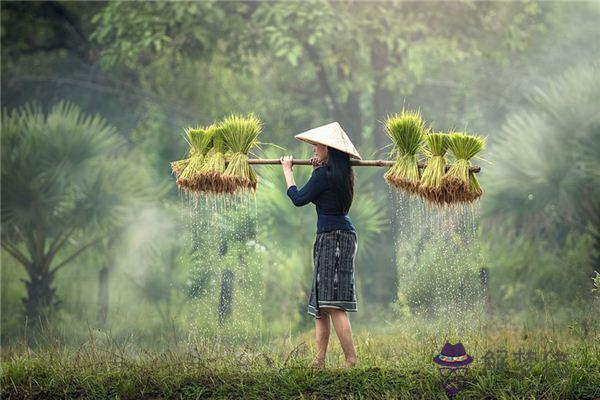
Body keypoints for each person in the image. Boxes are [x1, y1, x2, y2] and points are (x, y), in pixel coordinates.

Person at [279, 122, 362, 369]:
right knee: (321, 304)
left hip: (334, 237)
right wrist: (317, 169)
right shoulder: (340, 173)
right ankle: (319, 361)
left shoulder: (324, 175)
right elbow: (321, 189)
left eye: (317, 145)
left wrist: (287, 170)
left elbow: (298, 198)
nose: (314, 149)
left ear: (328, 148)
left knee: (332, 303)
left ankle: (351, 359)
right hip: (334, 235)